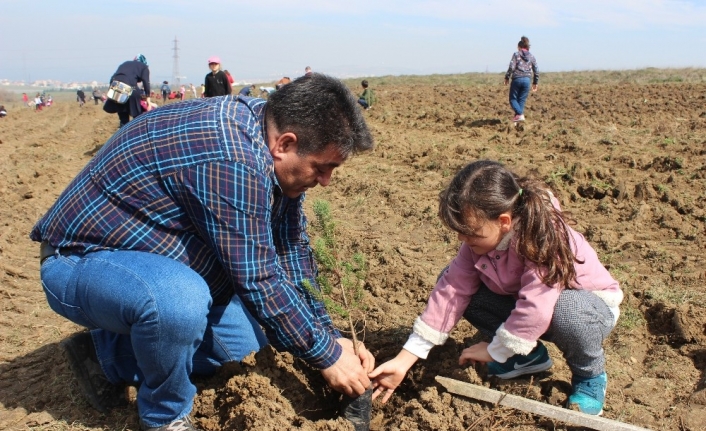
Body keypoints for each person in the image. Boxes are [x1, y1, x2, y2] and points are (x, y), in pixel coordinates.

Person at [30, 73, 375, 431]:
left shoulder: (270, 135)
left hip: (160, 261)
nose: (325, 181)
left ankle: (106, 357)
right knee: (179, 302)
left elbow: (289, 250)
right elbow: (258, 278)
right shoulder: (232, 158)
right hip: (81, 261)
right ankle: (165, 417)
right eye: (322, 168)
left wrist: (328, 334)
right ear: (285, 144)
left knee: (243, 352)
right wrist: (327, 357)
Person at [370, 160, 623, 416]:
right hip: (532, 308)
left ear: (503, 221)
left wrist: (494, 350)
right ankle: (528, 357)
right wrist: (405, 359)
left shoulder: (543, 237)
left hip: (589, 310)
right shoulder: (478, 243)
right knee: (453, 282)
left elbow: (537, 306)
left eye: (469, 232)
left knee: (569, 309)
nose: (462, 239)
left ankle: (589, 376)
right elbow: (452, 291)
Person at [103, 54, 151, 127]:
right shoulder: (144, 67)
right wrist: (148, 100)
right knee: (137, 116)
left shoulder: (125, 64)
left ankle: (123, 132)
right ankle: (139, 130)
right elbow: (146, 82)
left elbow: (112, 78)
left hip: (116, 88)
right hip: (129, 88)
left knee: (123, 118)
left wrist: (111, 90)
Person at [504, 36, 538, 122]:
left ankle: (520, 115)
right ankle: (517, 120)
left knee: (513, 99)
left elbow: (511, 67)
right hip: (527, 80)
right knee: (521, 101)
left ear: (519, 47)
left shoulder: (516, 54)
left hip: (517, 79)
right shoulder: (532, 56)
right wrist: (535, 82)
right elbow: (536, 70)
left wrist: (507, 77)